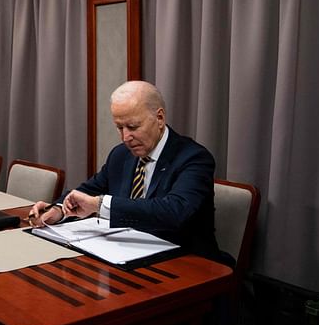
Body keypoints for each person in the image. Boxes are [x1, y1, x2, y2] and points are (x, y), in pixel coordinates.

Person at [28, 80, 224, 263]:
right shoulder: (121, 155)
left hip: (185, 261)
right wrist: (58, 210)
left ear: (160, 118)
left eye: (132, 126)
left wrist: (100, 205)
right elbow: (90, 189)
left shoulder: (193, 157)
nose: (125, 137)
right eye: (119, 127)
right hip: (125, 255)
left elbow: (175, 211)